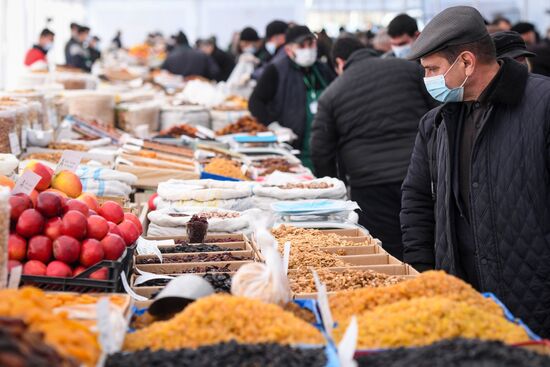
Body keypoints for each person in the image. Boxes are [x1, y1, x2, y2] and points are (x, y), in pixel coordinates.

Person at [400, 5, 550, 338]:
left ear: (466, 62)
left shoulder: (542, 105)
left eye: (432, 69)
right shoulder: (437, 121)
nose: (428, 80)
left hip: (533, 301)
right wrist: (426, 275)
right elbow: (417, 200)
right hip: (462, 301)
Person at [311, 37, 436, 259]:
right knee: (427, 237)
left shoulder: (332, 93)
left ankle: (397, 289)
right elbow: (438, 113)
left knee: (387, 249)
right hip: (420, 172)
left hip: (370, 184)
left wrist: (333, 190)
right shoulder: (409, 70)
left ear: (339, 62)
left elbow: (321, 150)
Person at [248, 25, 335, 169]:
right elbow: (255, 102)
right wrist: (274, 126)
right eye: (302, 46)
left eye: (311, 44)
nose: (308, 49)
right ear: (289, 50)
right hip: (295, 149)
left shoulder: (322, 69)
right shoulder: (276, 70)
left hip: (325, 148)